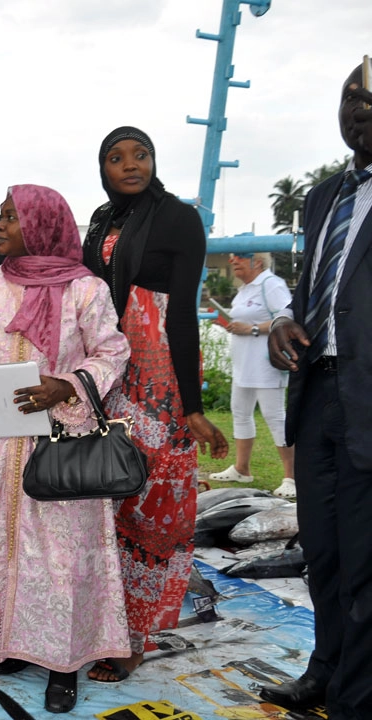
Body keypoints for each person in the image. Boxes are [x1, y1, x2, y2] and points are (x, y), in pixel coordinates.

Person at [0, 184, 131, 713]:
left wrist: (67, 384)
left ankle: (63, 663)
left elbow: (113, 350)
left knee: (60, 559)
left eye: (9, 218)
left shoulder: (85, 290)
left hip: (61, 442)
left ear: (40, 225)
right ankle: (4, 645)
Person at [81, 126, 228, 682]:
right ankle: (102, 622)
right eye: (117, 158)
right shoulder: (101, 220)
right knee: (104, 498)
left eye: (140, 154)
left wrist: (189, 405)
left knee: (149, 501)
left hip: (159, 377)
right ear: (103, 169)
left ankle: (135, 635)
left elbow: (184, 312)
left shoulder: (178, 218)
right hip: (109, 371)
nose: (130, 165)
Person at [264, 66, 372, 716]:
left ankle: (359, 699)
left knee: (365, 564)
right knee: (323, 554)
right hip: (317, 399)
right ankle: (326, 671)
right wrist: (283, 322)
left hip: (369, 406)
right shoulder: (323, 194)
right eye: (351, 99)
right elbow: (314, 291)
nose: (360, 111)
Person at [209, 252, 295, 497]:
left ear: (256, 261)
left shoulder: (272, 284)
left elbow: (286, 318)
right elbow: (244, 321)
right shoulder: (245, 288)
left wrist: (253, 329)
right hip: (243, 365)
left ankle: (291, 477)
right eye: (231, 256)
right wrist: (231, 325)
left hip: (267, 364)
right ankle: (241, 469)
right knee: (240, 413)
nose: (232, 261)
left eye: (238, 257)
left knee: (275, 417)